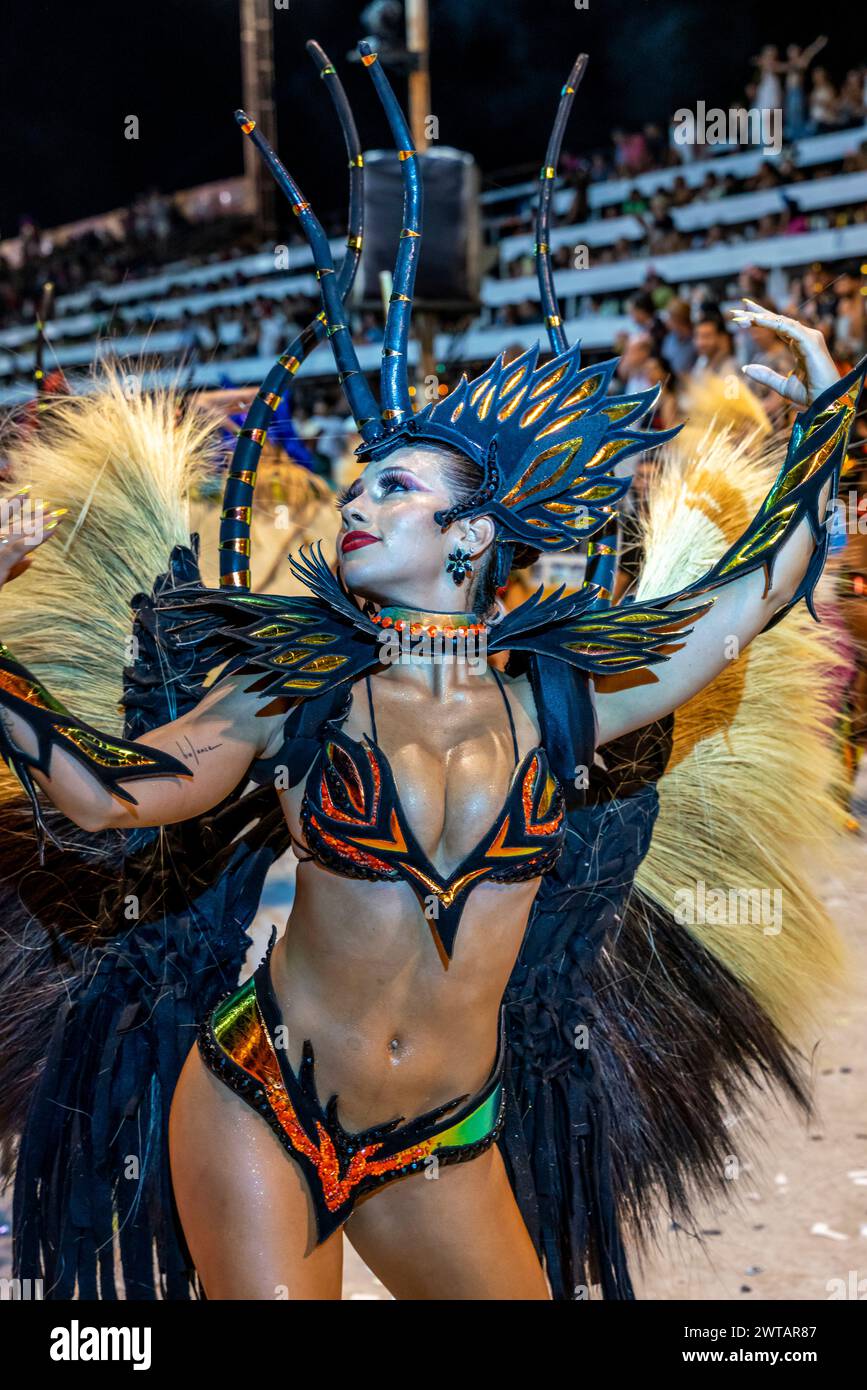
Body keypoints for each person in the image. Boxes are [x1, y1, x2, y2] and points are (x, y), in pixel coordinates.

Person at [1, 44, 864, 1304]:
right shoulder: (291, 684)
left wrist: (828, 422)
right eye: (360, 479)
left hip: (442, 1141)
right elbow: (109, 797)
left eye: (392, 485)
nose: (358, 496)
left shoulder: (564, 695)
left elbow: (749, 598)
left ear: (469, 536)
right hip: (263, 1104)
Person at [693, 310, 739, 378]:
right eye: (697, 336)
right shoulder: (702, 360)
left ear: (722, 338)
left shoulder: (731, 368)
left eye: (707, 336)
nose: (700, 343)